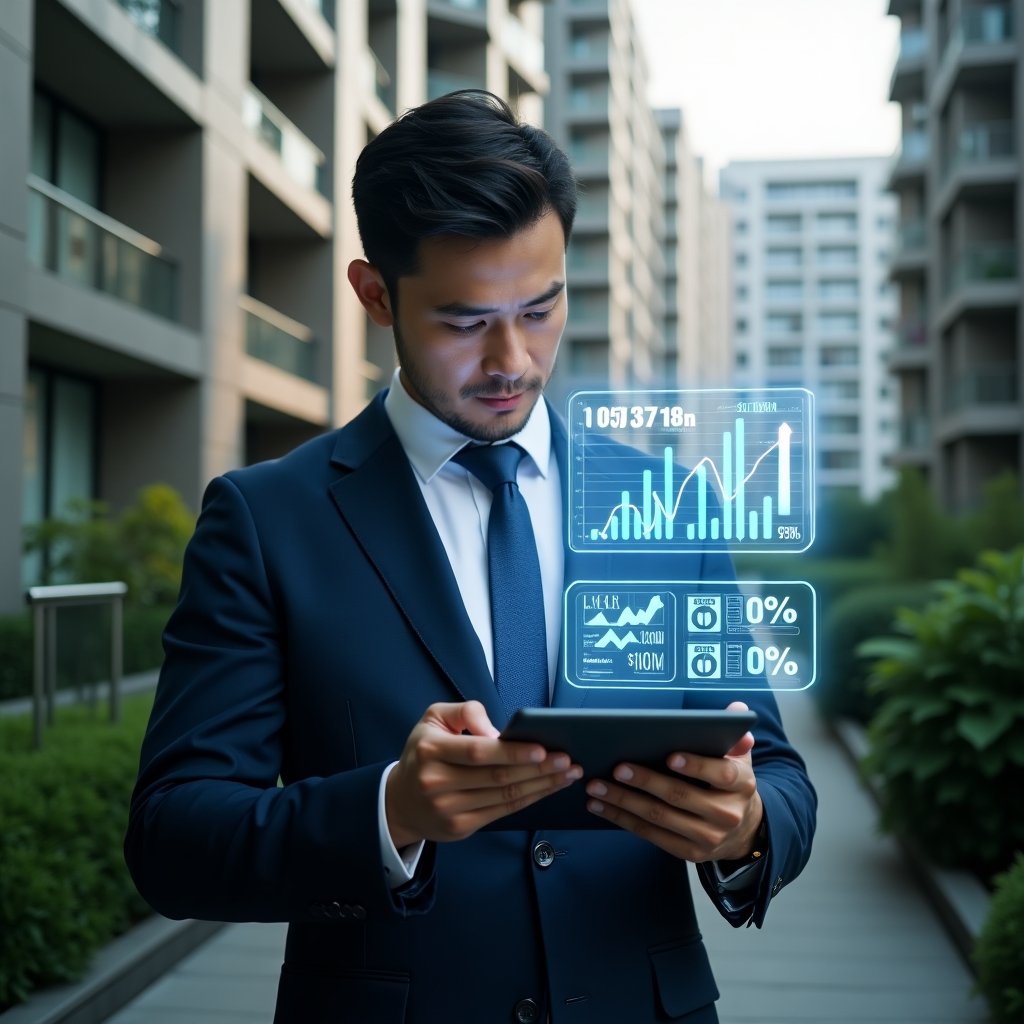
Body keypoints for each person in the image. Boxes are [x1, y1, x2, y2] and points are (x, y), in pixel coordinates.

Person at [125, 90, 816, 1024]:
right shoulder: (265, 519)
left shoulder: (670, 504)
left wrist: (745, 825)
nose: (513, 361)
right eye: (464, 322)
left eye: (542, 309)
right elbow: (174, 839)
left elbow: (777, 773)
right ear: (375, 296)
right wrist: (390, 811)